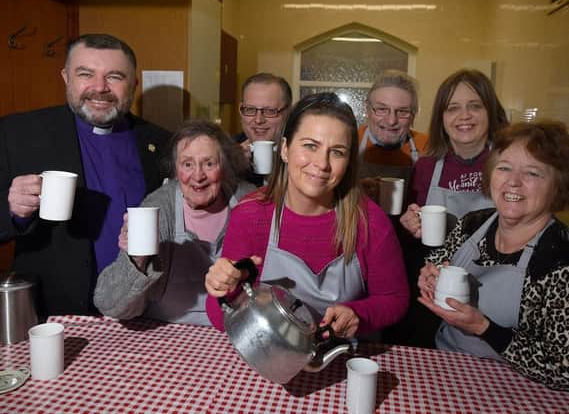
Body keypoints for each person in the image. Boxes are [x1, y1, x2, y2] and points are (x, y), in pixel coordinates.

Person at [205, 92, 409, 338]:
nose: (322, 163)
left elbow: (395, 299)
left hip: (346, 356)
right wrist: (225, 287)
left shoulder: (370, 221)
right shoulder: (250, 215)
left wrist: (359, 314)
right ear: (284, 149)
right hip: (270, 354)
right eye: (310, 146)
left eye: (337, 152)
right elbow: (220, 319)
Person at [0, 34, 170, 318]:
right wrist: (10, 208)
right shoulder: (18, 133)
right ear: (66, 77)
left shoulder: (161, 142)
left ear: (134, 85)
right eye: (85, 74)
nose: (99, 88)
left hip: (142, 310)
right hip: (52, 313)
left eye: (114, 76)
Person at [417, 121, 569, 391]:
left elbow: (562, 369)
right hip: (446, 369)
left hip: (520, 391)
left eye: (532, 173)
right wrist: (429, 275)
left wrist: (484, 328)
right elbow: (438, 262)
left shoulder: (559, 258)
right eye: (504, 168)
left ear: (557, 186)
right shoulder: (472, 224)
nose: (513, 181)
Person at [94, 120, 255, 325]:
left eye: (209, 163)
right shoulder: (158, 208)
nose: (198, 175)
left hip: (233, 332)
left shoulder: (249, 202)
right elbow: (109, 305)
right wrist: (136, 259)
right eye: (187, 164)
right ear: (175, 170)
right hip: (165, 333)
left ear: (224, 167)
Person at [400, 69, 509, 237]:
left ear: (490, 112)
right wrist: (409, 223)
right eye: (453, 108)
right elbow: (413, 225)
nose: (464, 116)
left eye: (475, 106)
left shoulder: (509, 165)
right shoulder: (425, 167)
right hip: (435, 262)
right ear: (441, 118)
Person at [358, 70, 428, 184]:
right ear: (367, 109)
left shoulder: (427, 147)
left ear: (413, 116)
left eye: (402, 111)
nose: (391, 121)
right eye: (381, 109)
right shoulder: (350, 143)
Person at [235, 73, 292, 186]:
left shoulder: (301, 154)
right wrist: (231, 171)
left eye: (269, 111)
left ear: (288, 112)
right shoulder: (224, 153)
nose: (258, 120)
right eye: (250, 109)